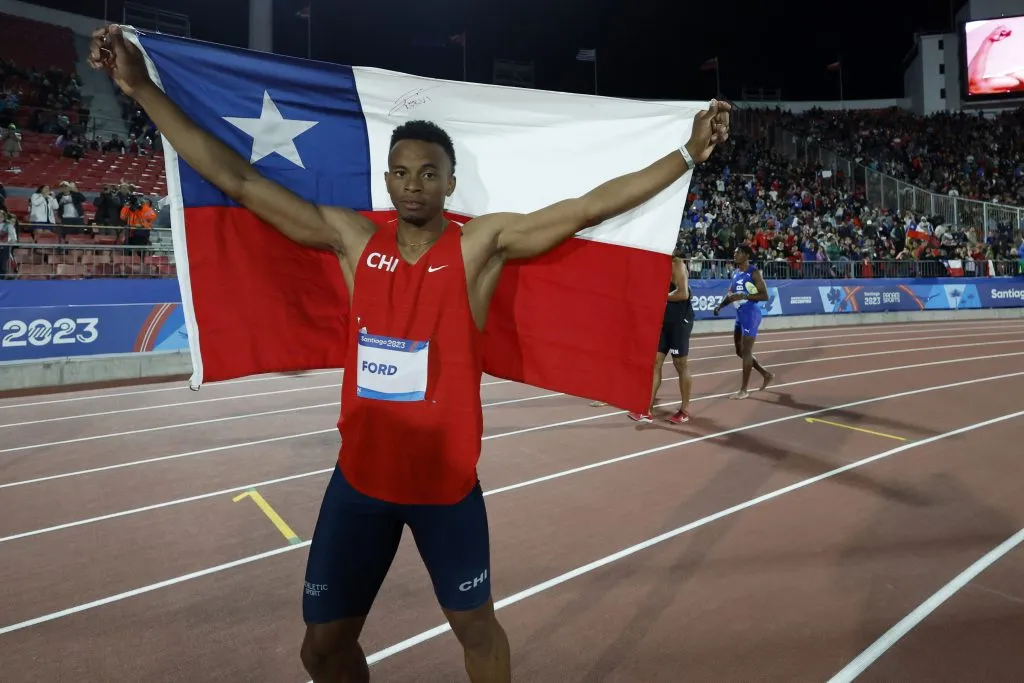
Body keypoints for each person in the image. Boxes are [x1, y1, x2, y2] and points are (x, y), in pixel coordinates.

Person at [90, 24, 730, 683]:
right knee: (320, 649)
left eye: (428, 172)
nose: (413, 183)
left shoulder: (480, 246)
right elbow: (239, 179)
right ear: (387, 179)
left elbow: (588, 206)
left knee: (478, 634)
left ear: (450, 181)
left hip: (444, 490)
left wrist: (687, 152)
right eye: (401, 172)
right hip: (359, 486)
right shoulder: (350, 240)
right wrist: (140, 88)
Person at [627, 249, 694, 423]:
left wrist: (658, 297)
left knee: (680, 364)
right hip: (663, 320)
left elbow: (683, 293)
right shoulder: (654, 265)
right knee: (655, 362)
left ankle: (684, 410)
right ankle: (646, 409)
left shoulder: (676, 264)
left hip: (680, 320)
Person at [713, 244, 774, 399]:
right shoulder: (736, 273)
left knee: (746, 351)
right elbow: (732, 295)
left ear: (746, 255)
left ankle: (744, 390)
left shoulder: (753, 273)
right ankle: (766, 374)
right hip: (740, 315)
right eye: (734, 252)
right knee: (739, 351)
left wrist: (745, 296)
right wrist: (720, 306)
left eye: (738, 252)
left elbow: (764, 296)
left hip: (751, 314)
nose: (735, 255)